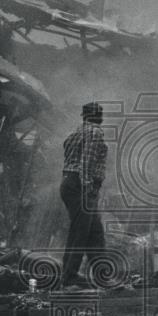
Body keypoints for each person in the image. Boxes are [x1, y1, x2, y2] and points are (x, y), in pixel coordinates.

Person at [60, 102, 108, 288]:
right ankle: (69, 276)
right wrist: (89, 189)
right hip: (81, 185)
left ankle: (102, 276)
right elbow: (86, 164)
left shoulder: (74, 133)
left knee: (94, 231)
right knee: (80, 231)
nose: (102, 117)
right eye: (100, 113)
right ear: (95, 116)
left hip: (70, 182)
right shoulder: (94, 132)